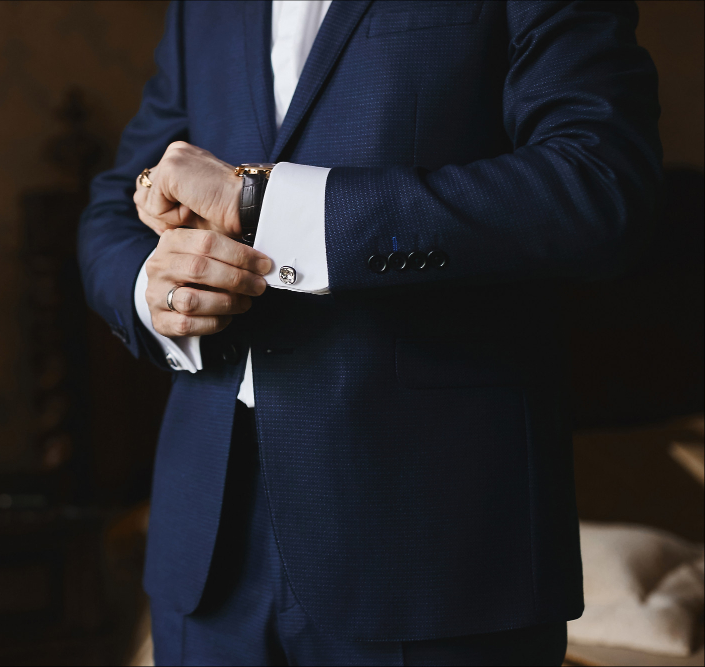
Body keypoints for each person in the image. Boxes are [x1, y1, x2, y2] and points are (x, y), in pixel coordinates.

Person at [78, 1, 662, 664]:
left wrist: (262, 204)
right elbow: (116, 206)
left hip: (434, 549)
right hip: (208, 555)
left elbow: (599, 184)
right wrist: (156, 289)